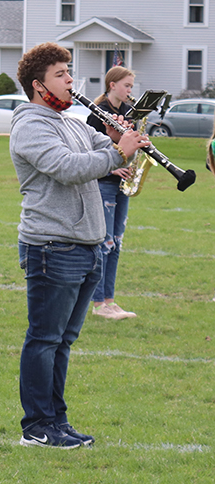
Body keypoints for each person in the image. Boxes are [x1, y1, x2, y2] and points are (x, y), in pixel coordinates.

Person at [9, 42, 148, 448]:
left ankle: (57, 420)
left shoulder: (70, 120)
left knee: (63, 341)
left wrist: (119, 139)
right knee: (45, 339)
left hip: (86, 243)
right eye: (61, 74)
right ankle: (36, 427)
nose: (72, 80)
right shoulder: (31, 124)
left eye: (70, 72)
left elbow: (109, 154)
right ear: (39, 85)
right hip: (53, 245)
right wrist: (113, 152)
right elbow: (67, 168)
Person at [87, 66, 138, 320]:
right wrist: (113, 167)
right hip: (105, 181)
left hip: (123, 183)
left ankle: (110, 299)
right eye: (127, 85)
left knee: (116, 243)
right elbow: (89, 150)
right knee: (104, 243)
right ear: (112, 85)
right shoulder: (99, 112)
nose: (130, 91)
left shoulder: (128, 112)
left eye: (131, 86)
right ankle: (98, 303)